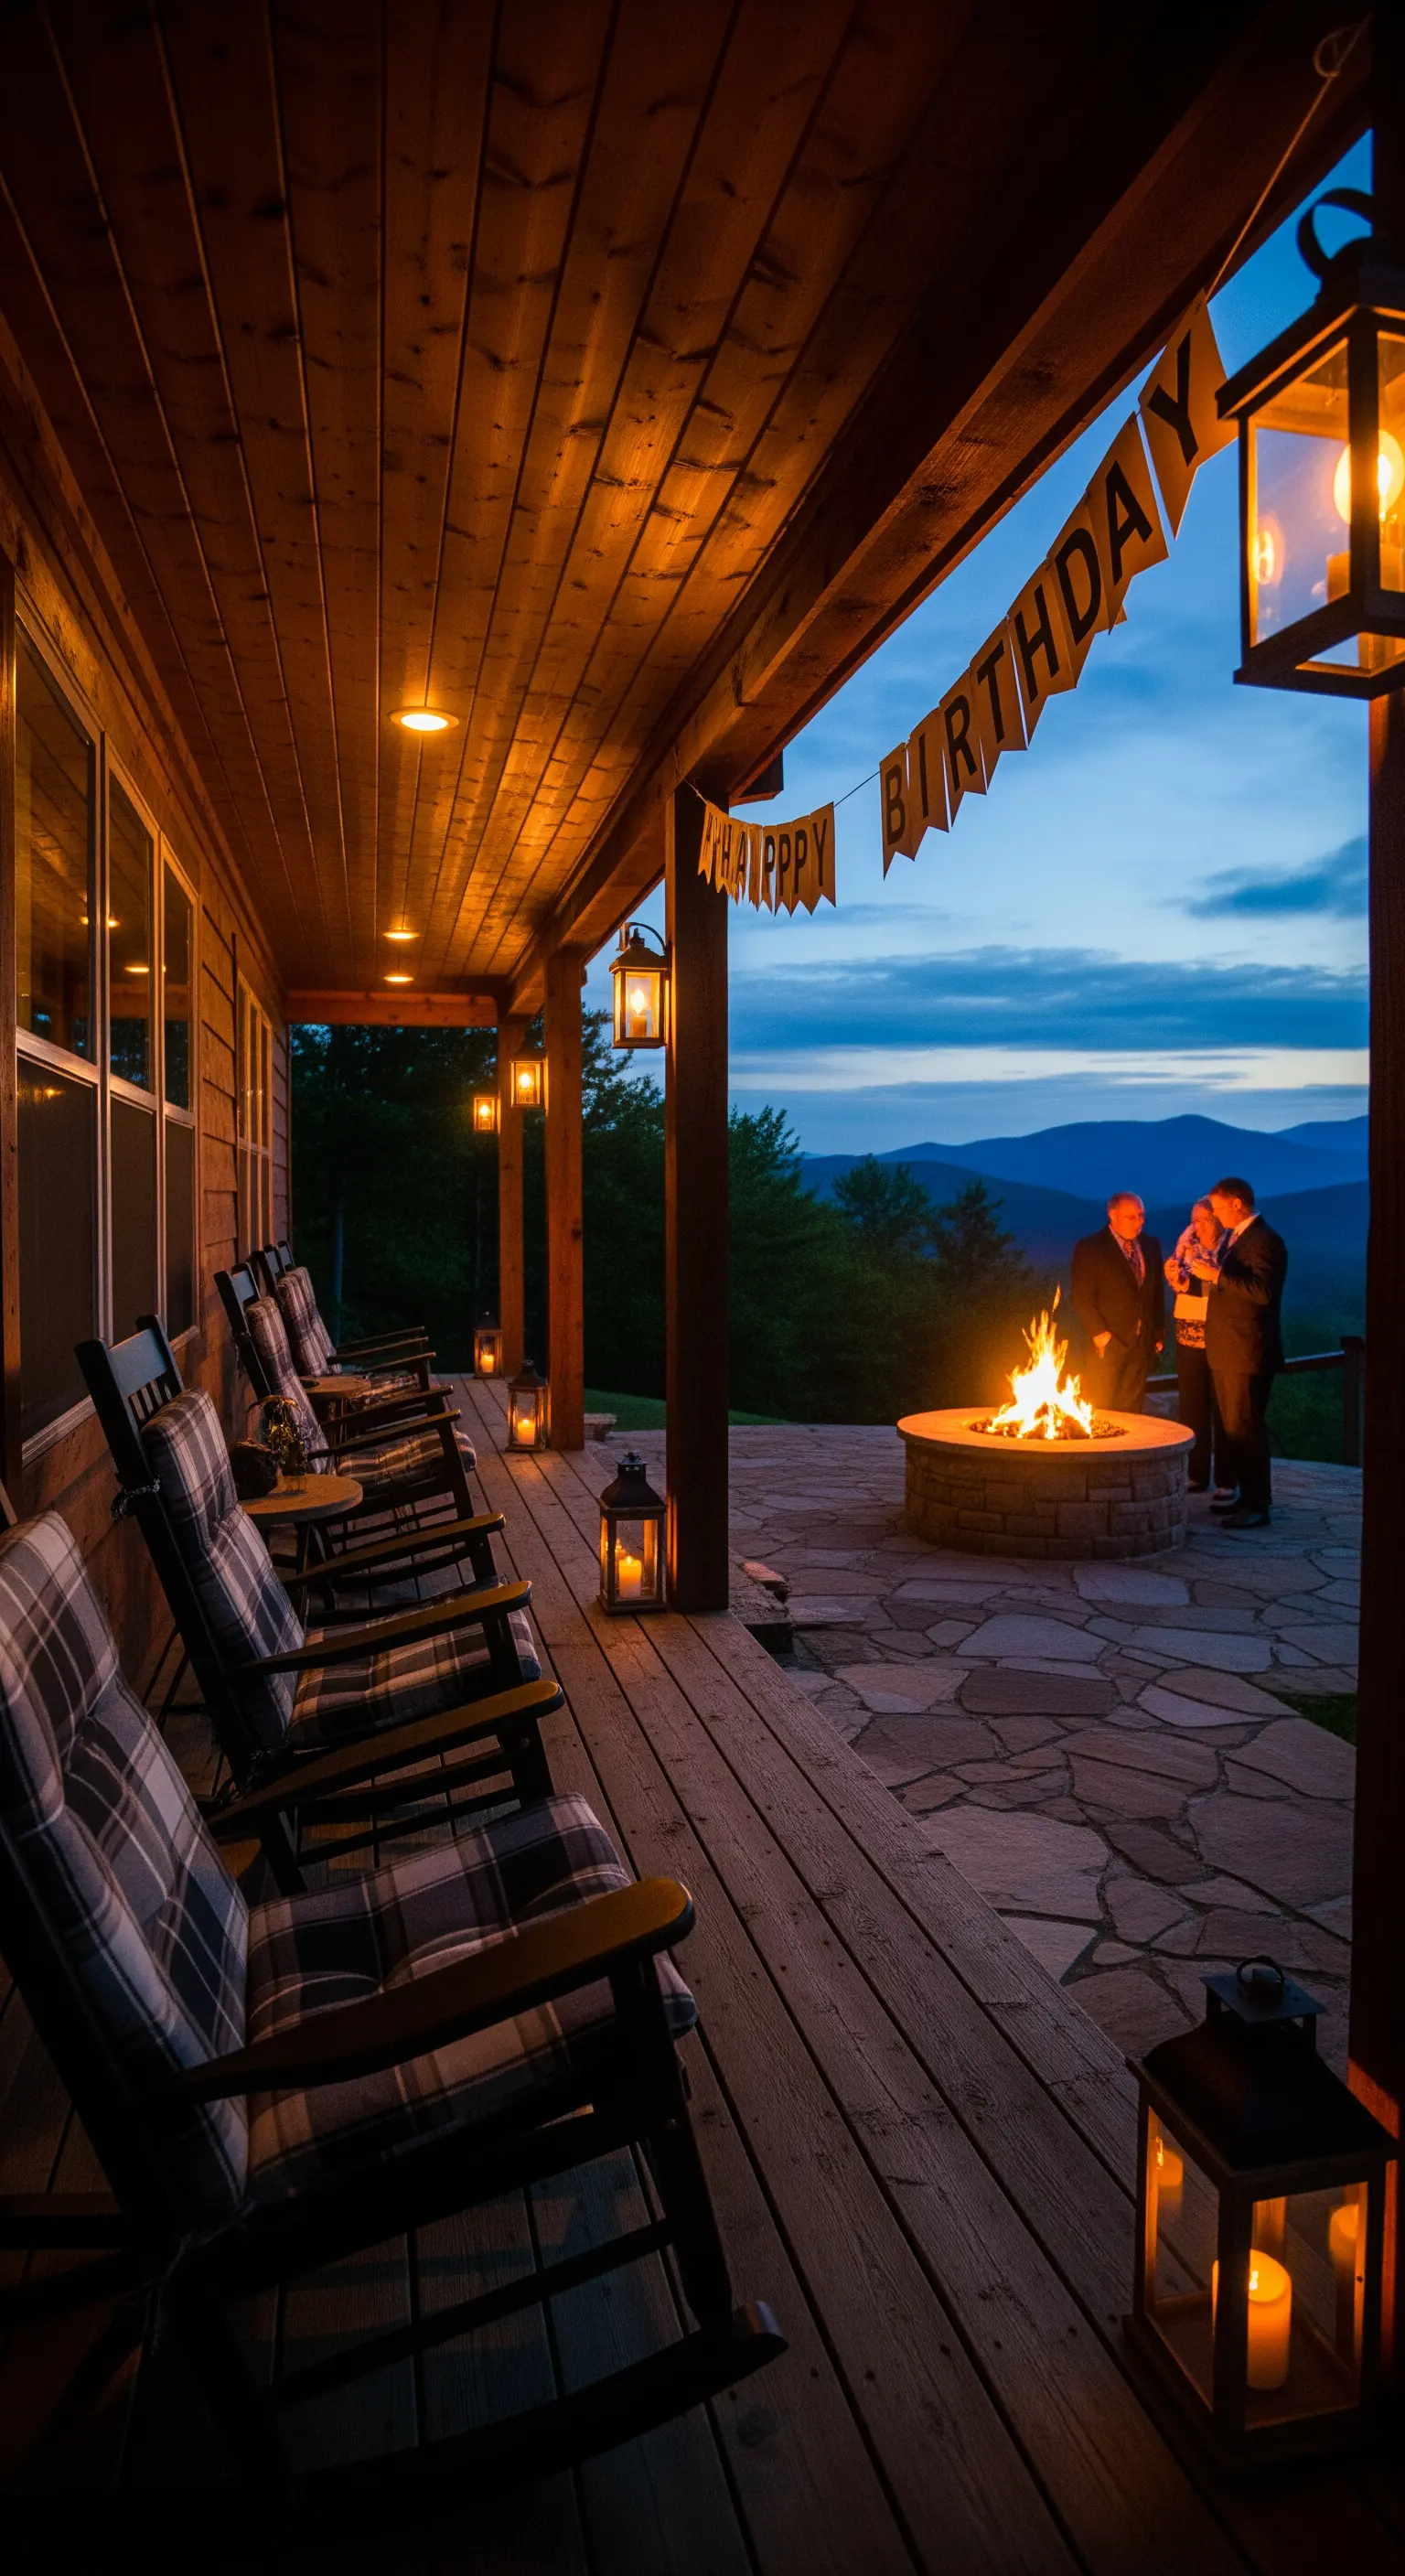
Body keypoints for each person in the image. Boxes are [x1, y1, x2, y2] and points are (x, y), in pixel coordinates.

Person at [1185, 1175, 1287, 1530]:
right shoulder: (1237, 1237)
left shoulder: (1264, 1241)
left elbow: (1263, 1293)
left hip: (1248, 1351)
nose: (1215, 1215)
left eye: (1217, 1208)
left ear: (1237, 1204)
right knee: (1235, 1429)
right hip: (1229, 1351)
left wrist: (1216, 1276)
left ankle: (1258, 1505)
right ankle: (1246, 1498)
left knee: (1247, 1429)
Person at [1070, 1191, 1164, 1412]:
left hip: (1141, 1345)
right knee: (1101, 1409)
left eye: (1141, 1215)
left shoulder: (1151, 1246)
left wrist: (1158, 1332)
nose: (1139, 1222)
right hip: (1108, 1346)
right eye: (1130, 1217)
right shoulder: (1091, 1248)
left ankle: (1129, 1448)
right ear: (1112, 1215)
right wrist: (1099, 1333)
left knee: (1132, 1411)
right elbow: (1081, 1296)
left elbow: (1156, 1292)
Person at [1164, 1197, 1229, 1493]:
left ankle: (1228, 1478)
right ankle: (1196, 1472)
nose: (1197, 1224)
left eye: (1204, 1219)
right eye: (1195, 1218)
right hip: (1188, 1330)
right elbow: (1185, 1284)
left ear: (1216, 1220)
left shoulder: (1230, 1245)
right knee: (1193, 1404)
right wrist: (1174, 1277)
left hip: (1220, 1331)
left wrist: (1207, 1278)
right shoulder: (1186, 1244)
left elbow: (1225, 1284)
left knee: (1222, 1406)